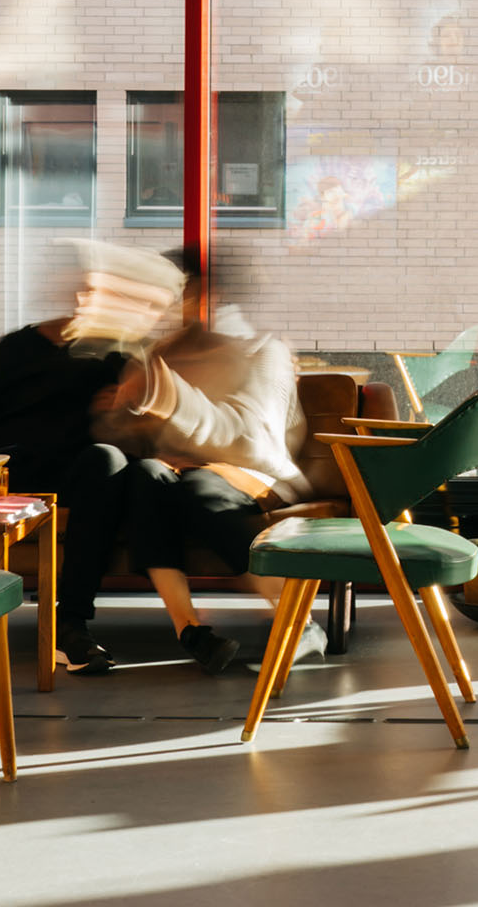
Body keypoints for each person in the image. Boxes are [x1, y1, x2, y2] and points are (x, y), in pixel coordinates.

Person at [0, 240, 182, 677]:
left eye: (93, 291)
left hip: (81, 473)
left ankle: (70, 626)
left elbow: (149, 428)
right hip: (10, 467)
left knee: (106, 461)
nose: (84, 300)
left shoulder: (121, 354)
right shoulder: (11, 350)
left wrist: (126, 411)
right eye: (77, 289)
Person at [95, 257, 315, 676]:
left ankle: (299, 620)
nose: (186, 305)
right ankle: (192, 632)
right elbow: (132, 432)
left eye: (195, 293)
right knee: (145, 477)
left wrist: (168, 399)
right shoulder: (164, 354)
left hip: (257, 475)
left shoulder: (264, 352)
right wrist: (122, 409)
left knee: (199, 489)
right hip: (182, 472)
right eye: (186, 294)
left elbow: (251, 440)